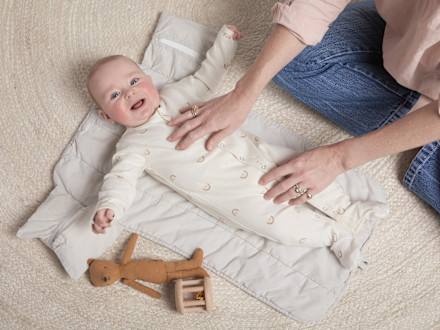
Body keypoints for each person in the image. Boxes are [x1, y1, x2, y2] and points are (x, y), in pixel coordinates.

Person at [87, 25, 388, 271]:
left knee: (300, 167)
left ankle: (351, 210)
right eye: (114, 95)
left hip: (258, 154)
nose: (130, 93)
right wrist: (109, 207)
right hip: (237, 198)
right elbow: (120, 180)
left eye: (134, 80)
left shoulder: (178, 93)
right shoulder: (132, 146)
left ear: (149, 79)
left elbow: (208, 76)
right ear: (106, 116)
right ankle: (335, 237)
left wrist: (225, 42)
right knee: (282, 228)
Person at [167, 0, 440, 213]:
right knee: (295, 59)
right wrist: (244, 92)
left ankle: (425, 135)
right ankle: (421, 120)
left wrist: (339, 158)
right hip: (409, 31)